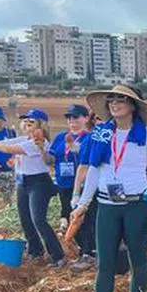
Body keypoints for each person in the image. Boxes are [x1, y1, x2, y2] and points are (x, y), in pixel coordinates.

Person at [72, 86, 147, 292]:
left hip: (137, 206)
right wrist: (83, 204)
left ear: (133, 105)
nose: (114, 104)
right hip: (106, 206)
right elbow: (94, 170)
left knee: (138, 259)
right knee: (105, 262)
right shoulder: (101, 134)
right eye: (111, 100)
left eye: (121, 100)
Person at [0, 109, 65, 267]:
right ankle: (35, 250)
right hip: (23, 182)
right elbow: (6, 144)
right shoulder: (23, 139)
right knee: (25, 219)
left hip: (38, 183)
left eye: (31, 122)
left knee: (38, 220)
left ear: (41, 125)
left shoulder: (37, 143)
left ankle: (57, 255)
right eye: (25, 120)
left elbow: (7, 149)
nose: (26, 123)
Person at [50, 104, 95, 266]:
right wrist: (40, 148)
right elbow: (51, 158)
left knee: (85, 219)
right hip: (64, 184)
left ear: (86, 118)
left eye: (76, 117)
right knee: (70, 218)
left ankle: (89, 253)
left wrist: (74, 148)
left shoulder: (88, 137)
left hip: (83, 185)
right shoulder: (61, 137)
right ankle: (83, 250)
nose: (72, 121)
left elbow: (87, 158)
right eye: (69, 118)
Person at [0, 106, 15, 202]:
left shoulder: (10, 133)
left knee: (7, 198)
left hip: (6, 170)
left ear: (2, 119)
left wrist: (13, 159)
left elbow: (16, 149)